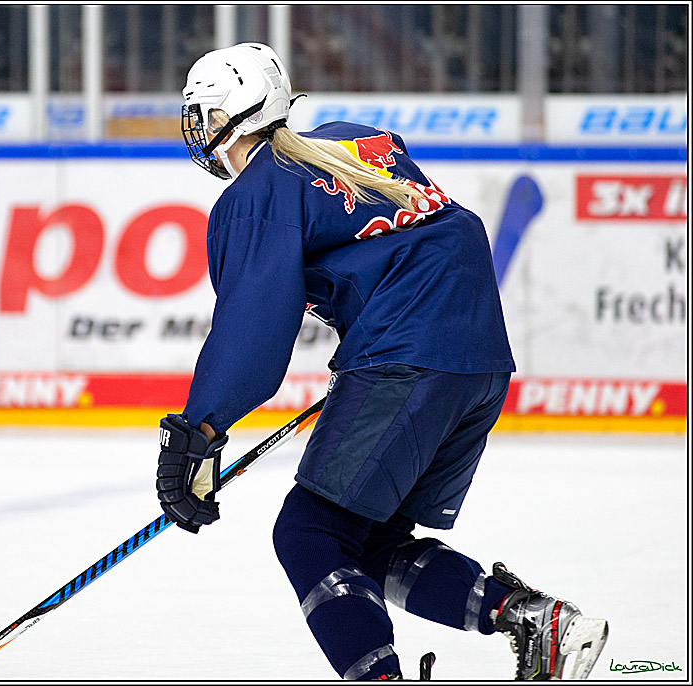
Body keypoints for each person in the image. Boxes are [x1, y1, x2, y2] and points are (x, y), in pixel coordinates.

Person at [154, 43, 609, 680]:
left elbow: (253, 333)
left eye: (201, 118)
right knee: (368, 543)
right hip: (475, 357)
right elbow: (430, 242)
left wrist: (198, 430)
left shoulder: (258, 192)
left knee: (310, 537)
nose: (197, 133)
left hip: (408, 355)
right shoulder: (355, 143)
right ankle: (538, 623)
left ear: (225, 119)